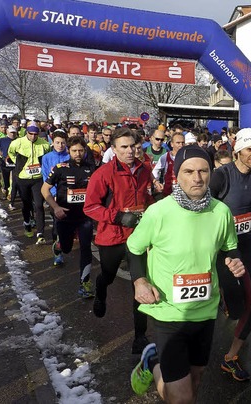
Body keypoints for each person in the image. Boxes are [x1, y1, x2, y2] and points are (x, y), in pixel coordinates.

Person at [127, 145, 246, 402]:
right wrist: (139, 281)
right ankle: (156, 364)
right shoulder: (159, 212)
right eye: (189, 171)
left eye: (204, 171)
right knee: (181, 398)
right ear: (176, 176)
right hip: (168, 311)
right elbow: (134, 248)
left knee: (195, 380)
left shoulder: (221, 212)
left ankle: (152, 363)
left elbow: (230, 247)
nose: (197, 178)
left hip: (204, 311)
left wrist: (234, 261)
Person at [209, 127, 251, 381]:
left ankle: (231, 357)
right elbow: (202, 210)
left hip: (245, 244)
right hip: (221, 248)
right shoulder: (221, 176)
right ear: (237, 150)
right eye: (250, 149)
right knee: (234, 308)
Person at [83, 128, 154, 354]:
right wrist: (118, 216)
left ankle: (139, 336)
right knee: (109, 275)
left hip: (138, 238)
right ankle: (100, 289)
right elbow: (90, 207)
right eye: (124, 147)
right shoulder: (103, 173)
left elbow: (148, 199)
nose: (130, 151)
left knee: (140, 283)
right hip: (112, 236)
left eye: (133, 146)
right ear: (113, 149)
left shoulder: (145, 170)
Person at [41, 137, 95, 296]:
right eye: (74, 151)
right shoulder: (60, 168)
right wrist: (56, 207)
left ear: (85, 151)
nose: (78, 154)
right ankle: (58, 246)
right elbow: (44, 190)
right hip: (65, 216)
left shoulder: (91, 168)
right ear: (69, 151)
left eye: (81, 150)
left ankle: (84, 284)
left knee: (86, 249)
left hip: (84, 217)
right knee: (67, 248)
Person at [8, 122, 51, 243]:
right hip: (23, 178)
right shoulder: (17, 142)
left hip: (38, 178)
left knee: (38, 205)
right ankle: (27, 223)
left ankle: (40, 232)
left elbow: (47, 157)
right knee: (26, 204)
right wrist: (18, 163)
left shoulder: (44, 144)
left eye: (35, 134)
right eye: (30, 134)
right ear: (26, 132)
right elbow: (10, 152)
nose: (33, 136)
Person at [152, 132, 185, 198]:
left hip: (183, 193)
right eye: (178, 143)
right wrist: (157, 183)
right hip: (168, 193)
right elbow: (155, 171)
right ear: (172, 144)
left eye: (183, 143)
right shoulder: (165, 157)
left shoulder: (187, 157)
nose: (181, 145)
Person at [0, 126, 18, 203]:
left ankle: (10, 194)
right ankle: (5, 189)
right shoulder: (1, 140)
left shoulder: (19, 140)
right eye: (11, 132)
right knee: (5, 180)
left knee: (13, 180)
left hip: (15, 164)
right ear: (7, 132)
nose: (13, 134)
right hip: (4, 164)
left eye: (14, 132)